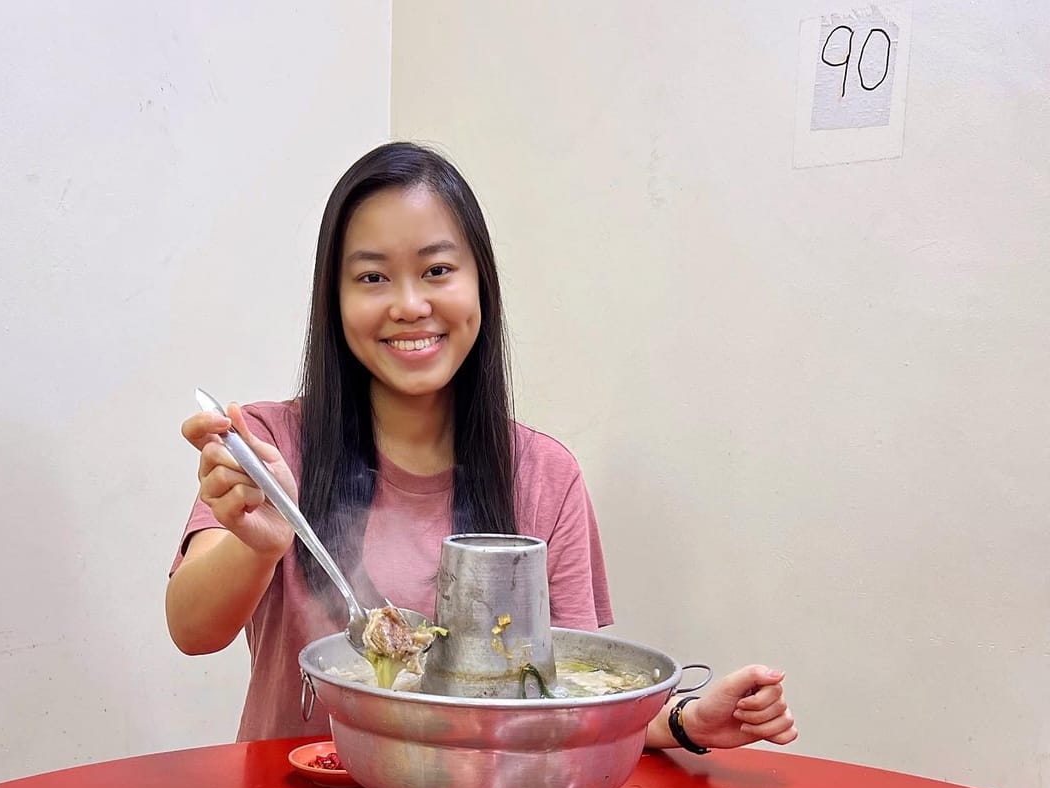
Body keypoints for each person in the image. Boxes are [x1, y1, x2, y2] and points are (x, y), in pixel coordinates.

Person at [168, 142, 796, 754]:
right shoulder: (271, 445)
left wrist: (684, 721)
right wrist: (260, 546)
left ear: (480, 286)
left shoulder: (545, 477)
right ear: (334, 300)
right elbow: (192, 631)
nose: (410, 305)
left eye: (437, 270)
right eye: (372, 277)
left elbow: (565, 695)